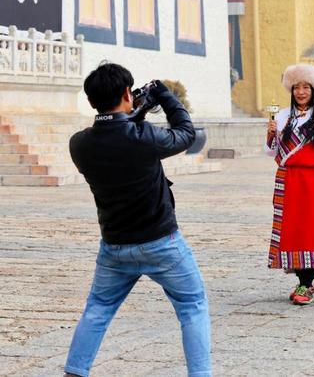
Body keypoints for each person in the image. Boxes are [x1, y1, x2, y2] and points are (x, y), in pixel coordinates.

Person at [64, 64, 210, 377]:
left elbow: (115, 138)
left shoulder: (79, 144)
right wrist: (165, 96)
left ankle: (75, 371)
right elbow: (186, 134)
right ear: (127, 94)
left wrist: (136, 113)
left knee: (98, 309)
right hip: (162, 243)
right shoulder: (143, 137)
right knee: (192, 306)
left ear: (91, 102)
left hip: (115, 246)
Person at [265, 64, 314, 305]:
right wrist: (271, 133)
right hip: (288, 178)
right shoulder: (283, 116)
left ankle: (307, 283)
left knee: (310, 229)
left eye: (306, 87)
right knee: (291, 228)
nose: (301, 92)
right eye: (296, 87)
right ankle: (302, 279)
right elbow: (270, 152)